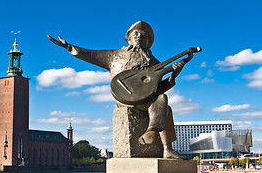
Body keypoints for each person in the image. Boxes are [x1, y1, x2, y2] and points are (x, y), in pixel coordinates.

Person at [48, 21, 186, 159]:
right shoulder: (115, 55)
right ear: (129, 38)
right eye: (135, 34)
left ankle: (163, 145)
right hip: (125, 99)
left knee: (162, 101)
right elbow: (90, 54)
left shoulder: (155, 62)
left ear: (148, 42)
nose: (139, 37)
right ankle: (159, 138)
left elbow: (157, 89)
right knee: (163, 106)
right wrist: (68, 47)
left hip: (146, 101)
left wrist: (174, 74)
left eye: (143, 36)